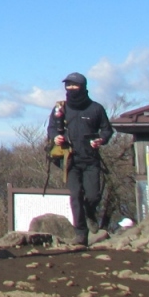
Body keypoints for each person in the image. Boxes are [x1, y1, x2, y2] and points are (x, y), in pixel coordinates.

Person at [46, 71, 114, 246]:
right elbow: (51, 128)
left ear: (83, 87)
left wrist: (101, 140)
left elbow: (107, 130)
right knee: (75, 196)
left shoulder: (96, 108)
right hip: (70, 160)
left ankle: (90, 213)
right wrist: (55, 137)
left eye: (74, 85)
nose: (70, 88)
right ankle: (80, 234)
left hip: (91, 159)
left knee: (93, 196)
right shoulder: (60, 109)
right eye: (68, 85)